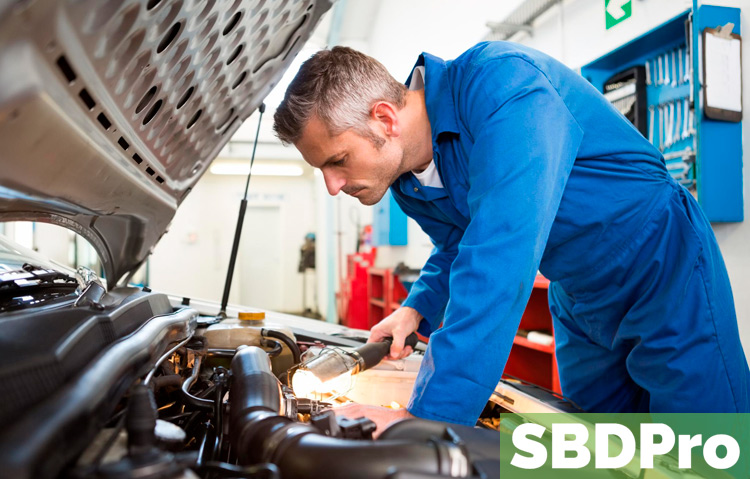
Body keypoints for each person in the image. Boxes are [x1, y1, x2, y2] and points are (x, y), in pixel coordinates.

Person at [272, 43, 750, 429]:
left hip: (660, 264)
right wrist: (415, 308)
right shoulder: (408, 182)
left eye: (337, 160)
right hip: (578, 294)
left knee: (705, 444)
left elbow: (498, 261)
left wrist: (426, 422)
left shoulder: (505, 87)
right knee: (601, 446)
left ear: (384, 118)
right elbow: (459, 245)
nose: (333, 186)